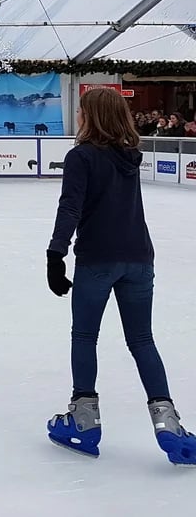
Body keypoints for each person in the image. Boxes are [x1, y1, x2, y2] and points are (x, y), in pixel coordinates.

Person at [45, 86, 196, 465]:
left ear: (90, 116)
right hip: (139, 259)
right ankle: (170, 426)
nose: (78, 116)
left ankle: (83, 420)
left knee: (84, 336)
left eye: (82, 111)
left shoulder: (81, 157)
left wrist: (55, 253)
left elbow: (70, 207)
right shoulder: (130, 156)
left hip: (98, 260)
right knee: (142, 340)